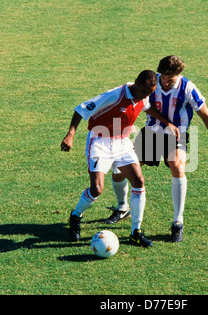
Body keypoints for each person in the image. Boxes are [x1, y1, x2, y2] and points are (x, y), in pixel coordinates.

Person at [107, 56, 208, 242]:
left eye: (170, 79)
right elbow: (144, 104)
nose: (165, 82)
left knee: (177, 165)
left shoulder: (188, 88)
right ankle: (122, 207)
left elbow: (206, 116)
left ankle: (177, 222)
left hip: (177, 136)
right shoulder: (152, 83)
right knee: (119, 169)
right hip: (152, 132)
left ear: (179, 75)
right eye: (163, 77)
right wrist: (165, 122)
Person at [60, 70, 179, 247]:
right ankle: (75, 216)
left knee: (138, 181)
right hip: (100, 141)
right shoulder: (115, 95)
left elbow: (148, 107)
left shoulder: (142, 96)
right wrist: (70, 134)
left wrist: (167, 122)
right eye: (144, 92)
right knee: (97, 189)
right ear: (136, 83)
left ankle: (135, 232)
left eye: (149, 93)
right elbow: (81, 109)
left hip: (122, 142)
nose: (145, 97)